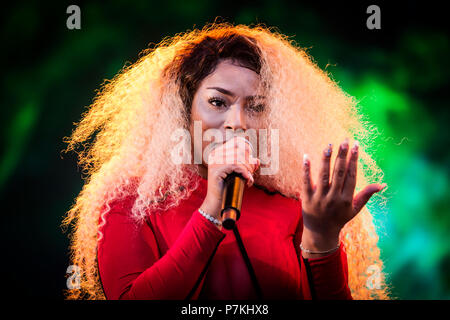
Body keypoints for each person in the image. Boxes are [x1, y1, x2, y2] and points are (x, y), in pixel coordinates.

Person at [62, 22, 391, 300]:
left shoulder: (295, 205)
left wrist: (323, 238)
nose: (238, 123)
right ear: (183, 110)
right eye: (218, 102)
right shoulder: (131, 203)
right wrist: (211, 211)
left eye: (256, 106)